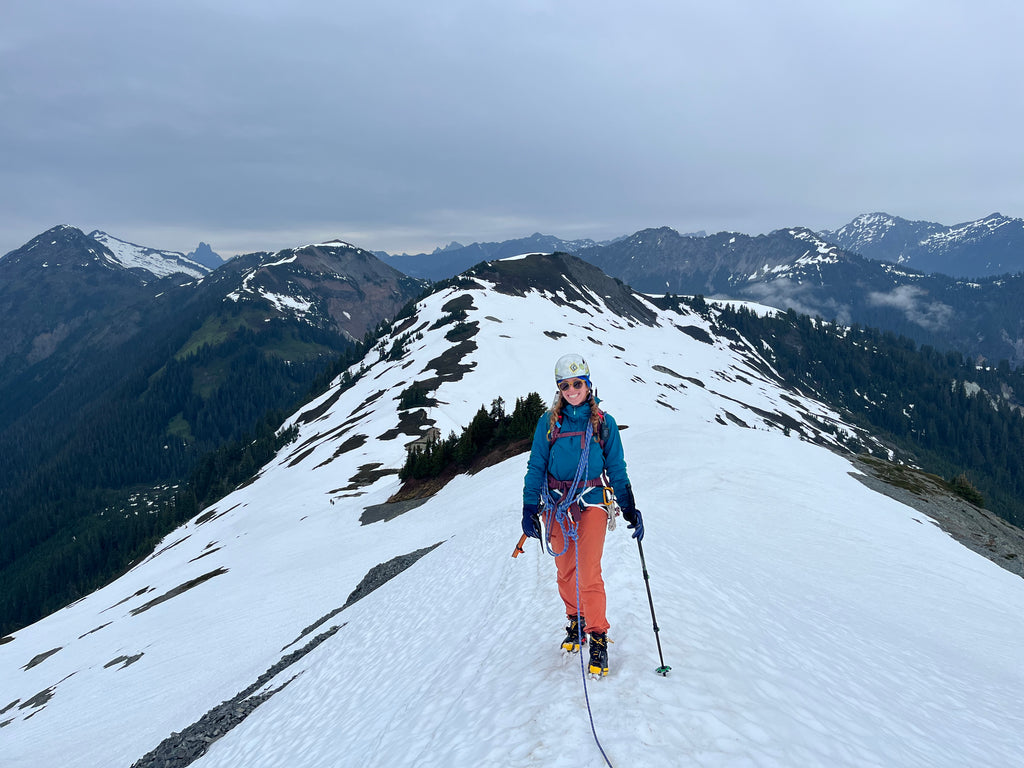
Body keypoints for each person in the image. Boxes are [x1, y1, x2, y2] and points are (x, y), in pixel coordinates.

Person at [521, 352, 643, 676]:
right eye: (565, 385)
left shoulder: (603, 423)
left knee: (588, 571)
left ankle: (598, 635)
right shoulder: (548, 424)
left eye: (578, 383)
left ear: (588, 384)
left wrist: (629, 506)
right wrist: (529, 506)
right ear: (559, 388)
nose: (572, 390)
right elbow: (536, 466)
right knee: (565, 570)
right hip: (557, 504)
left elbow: (616, 467)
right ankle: (575, 619)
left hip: (591, 502)